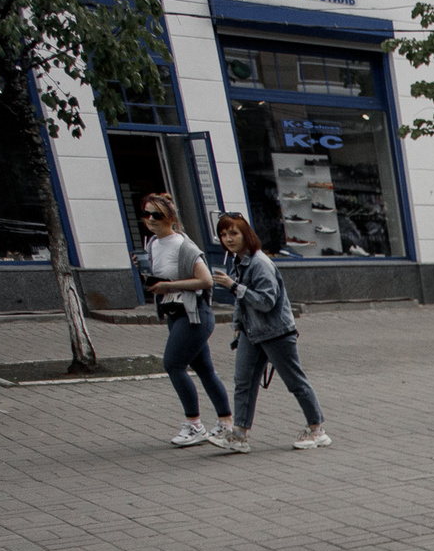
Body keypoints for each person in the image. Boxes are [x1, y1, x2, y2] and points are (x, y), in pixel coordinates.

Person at [213, 213, 329, 452]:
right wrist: (237, 326)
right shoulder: (239, 261)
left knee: (294, 381)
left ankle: (317, 430)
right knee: (243, 382)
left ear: (246, 234)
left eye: (233, 233)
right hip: (251, 332)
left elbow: (266, 301)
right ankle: (240, 435)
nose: (228, 239)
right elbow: (241, 302)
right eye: (223, 234)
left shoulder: (260, 263)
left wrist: (233, 286)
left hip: (276, 332)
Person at [138, 194, 230, 448]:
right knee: (204, 370)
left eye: (156, 215)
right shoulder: (152, 245)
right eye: (146, 214)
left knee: (173, 364)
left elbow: (206, 280)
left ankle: (194, 424)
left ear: (170, 218)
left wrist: (168, 285)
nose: (150, 220)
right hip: (175, 312)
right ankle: (226, 423)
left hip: (195, 314)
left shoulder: (184, 246)